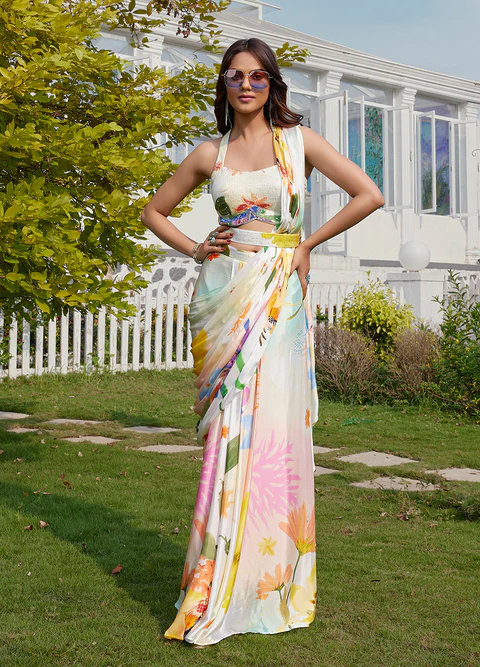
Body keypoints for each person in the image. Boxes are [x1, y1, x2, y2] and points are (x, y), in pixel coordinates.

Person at [141, 37, 384, 646]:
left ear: (272, 83)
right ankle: (219, 576)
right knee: (231, 432)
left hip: (279, 300)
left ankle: (268, 581)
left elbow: (369, 194)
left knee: (274, 430)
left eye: (256, 76)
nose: (245, 85)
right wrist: (196, 247)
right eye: (234, 76)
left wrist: (307, 244)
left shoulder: (299, 143)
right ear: (223, 85)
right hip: (226, 298)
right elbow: (153, 212)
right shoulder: (210, 152)